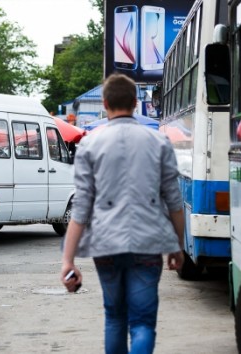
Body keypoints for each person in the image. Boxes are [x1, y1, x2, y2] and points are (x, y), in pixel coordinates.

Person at [60, 73, 185, 354]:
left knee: (114, 317)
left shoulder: (89, 145)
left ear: (104, 104)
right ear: (135, 103)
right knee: (142, 322)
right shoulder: (159, 142)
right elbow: (174, 202)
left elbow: (82, 208)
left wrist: (68, 260)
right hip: (149, 243)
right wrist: (177, 246)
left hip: (106, 244)